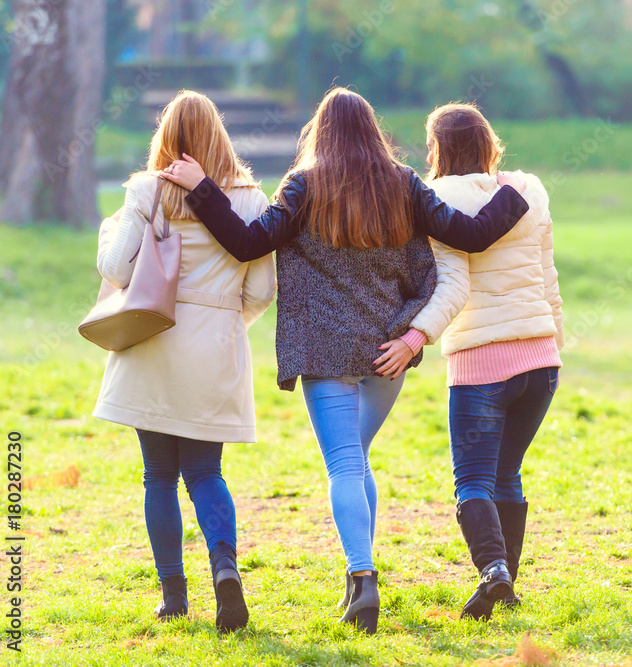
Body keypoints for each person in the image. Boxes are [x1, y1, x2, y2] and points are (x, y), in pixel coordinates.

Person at [159, 87, 530, 635]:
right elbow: (469, 236)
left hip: (325, 350)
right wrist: (514, 194)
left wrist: (202, 189)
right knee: (355, 461)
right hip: (388, 350)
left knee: (344, 466)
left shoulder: (302, 186)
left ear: (320, 132)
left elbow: (247, 242)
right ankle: (358, 581)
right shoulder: (404, 183)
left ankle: (362, 577)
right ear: (372, 131)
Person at [94, 90, 276, 632]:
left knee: (158, 476)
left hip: (152, 340)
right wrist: (226, 324)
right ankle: (225, 570)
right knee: (205, 472)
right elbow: (262, 290)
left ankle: (173, 596)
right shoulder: (251, 199)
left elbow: (115, 269)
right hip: (214, 347)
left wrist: (109, 228)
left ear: (166, 137)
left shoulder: (148, 189)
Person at [379, 102, 563, 621]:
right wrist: (553, 342)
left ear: (439, 149)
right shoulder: (530, 189)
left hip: (482, 361)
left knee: (473, 481)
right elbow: (548, 277)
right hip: (541, 359)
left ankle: (494, 572)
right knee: (508, 474)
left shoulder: (437, 198)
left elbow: (453, 286)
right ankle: (506, 586)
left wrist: (415, 337)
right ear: (488, 143)